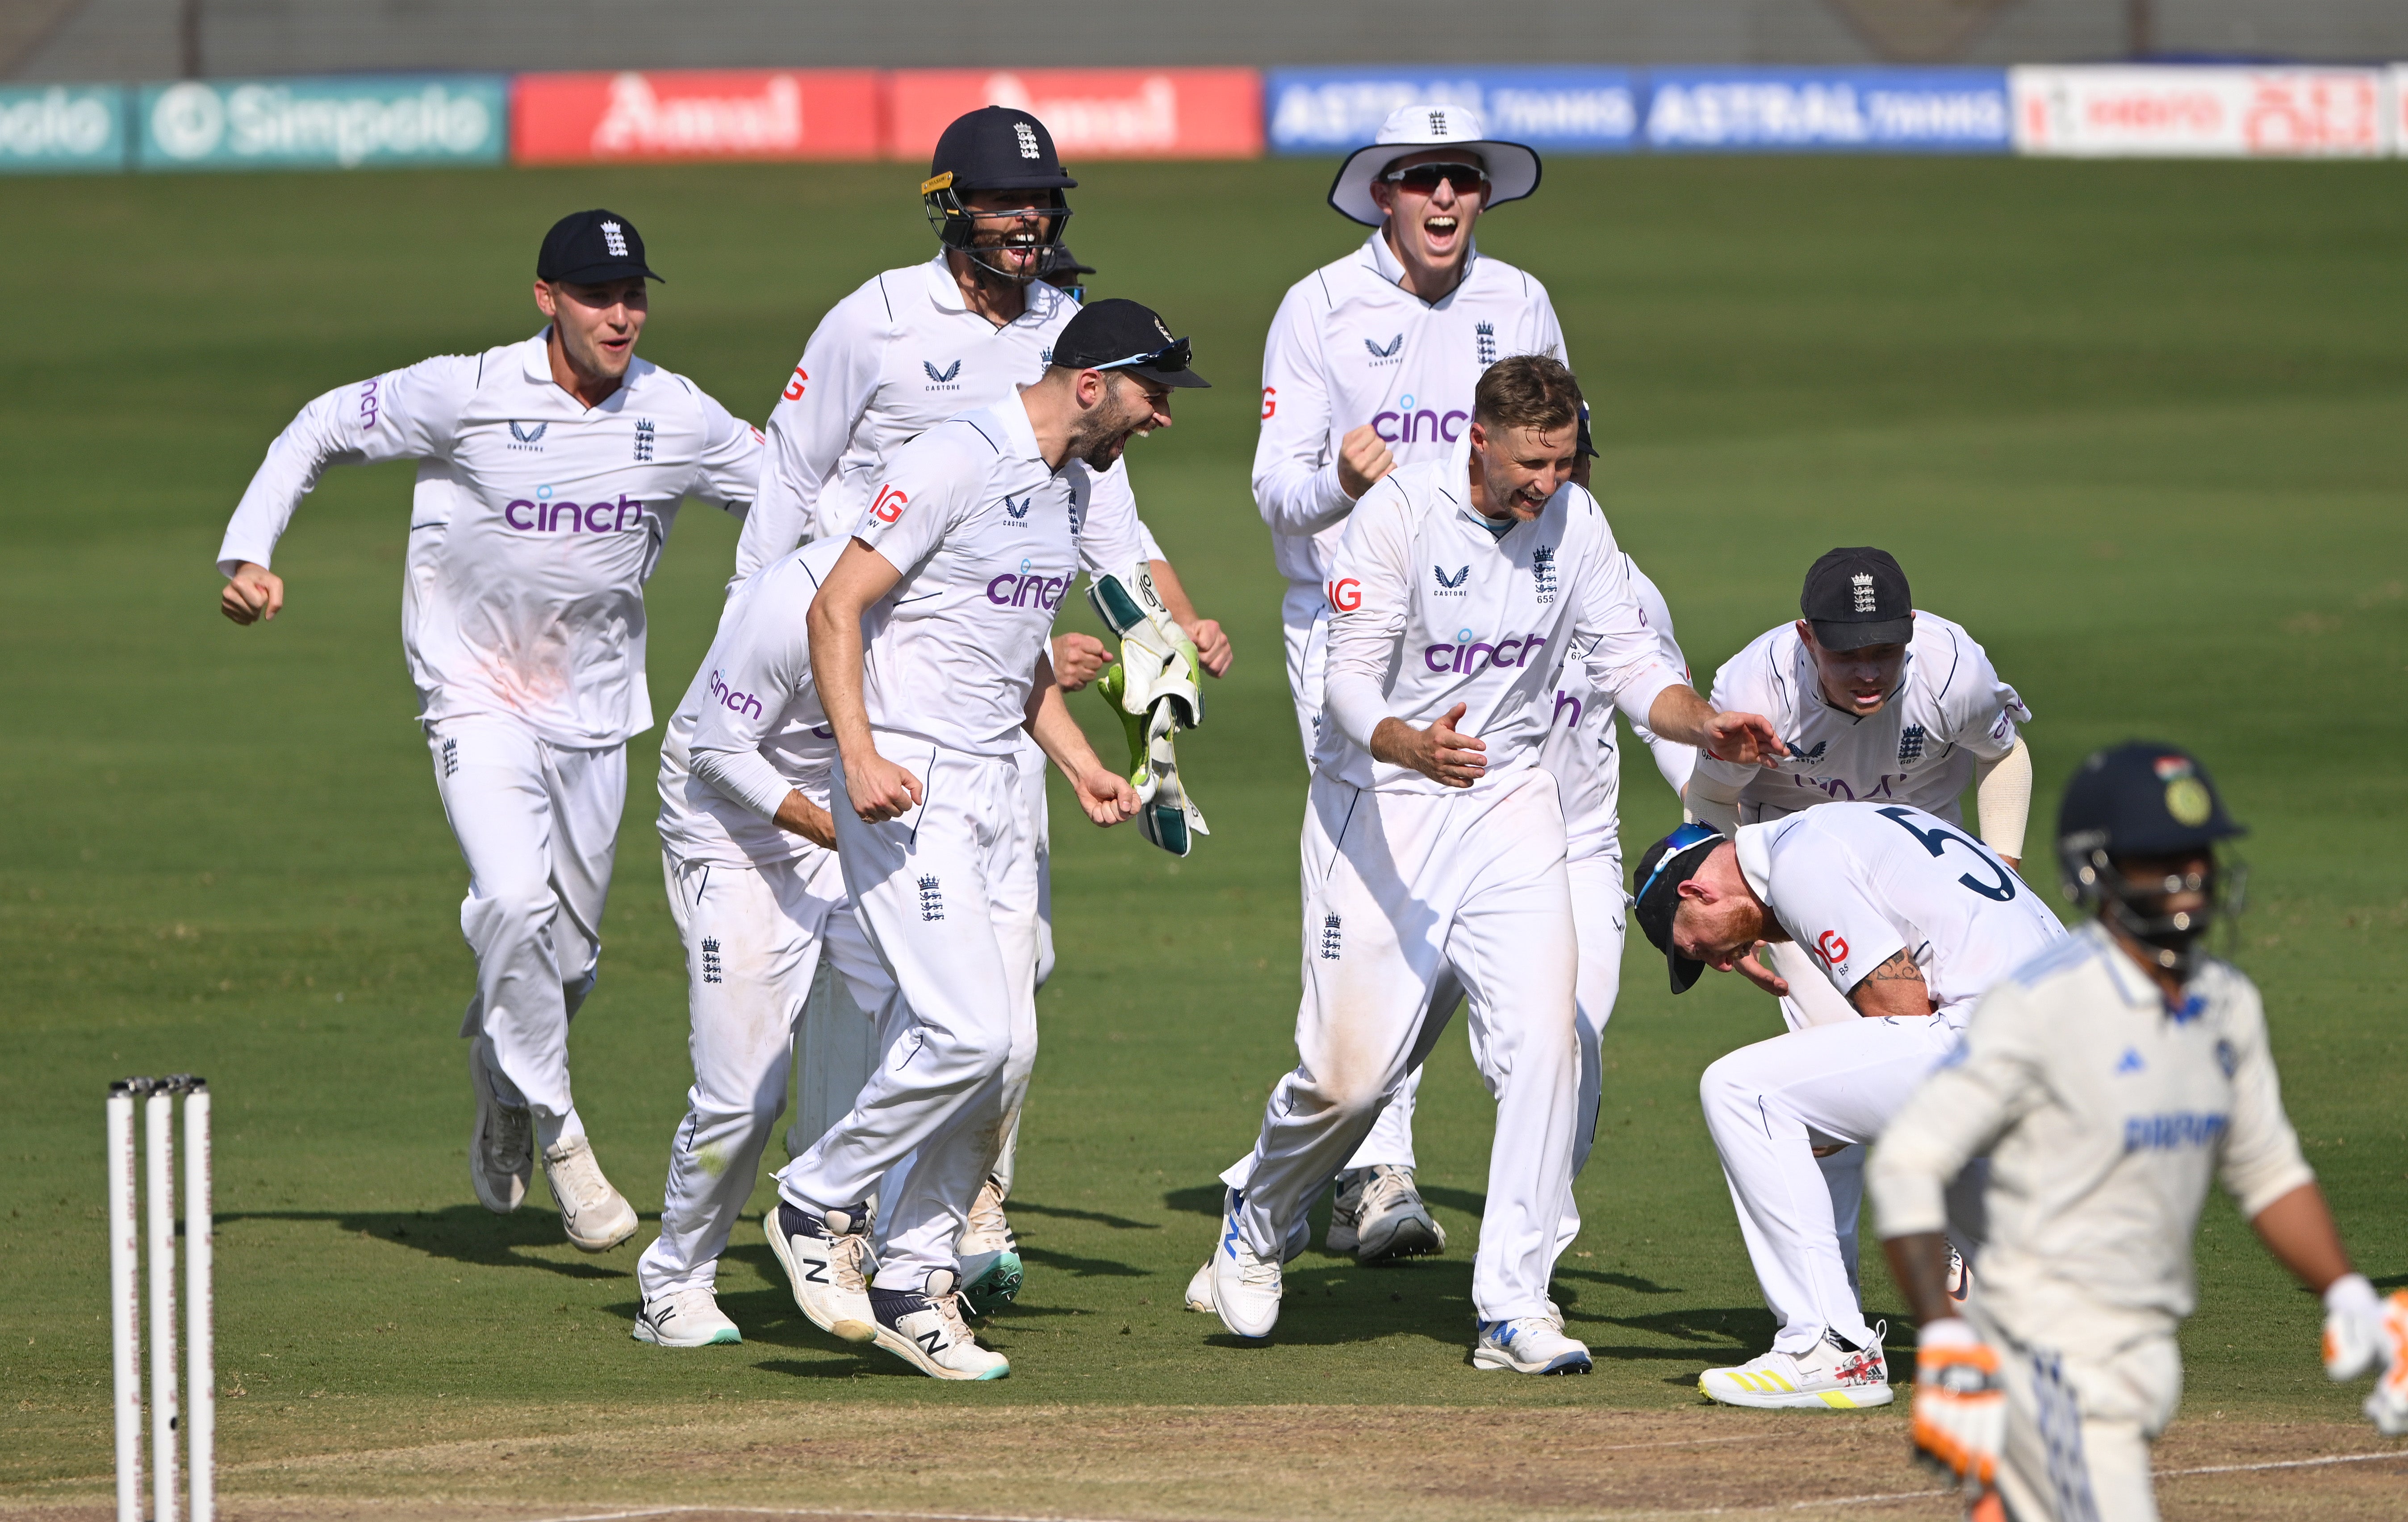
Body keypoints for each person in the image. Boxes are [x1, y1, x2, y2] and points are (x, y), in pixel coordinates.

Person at [1201, 355, 1778, 1375]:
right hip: (1379, 804)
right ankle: (1258, 1213)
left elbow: (1632, 664)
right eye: (1528, 462)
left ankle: (1512, 1305)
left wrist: (1704, 725)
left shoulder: (1575, 523)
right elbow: (1345, 681)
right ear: (1478, 437)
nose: (1544, 483)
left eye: (1560, 462)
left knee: (1546, 1044)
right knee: (1353, 1079)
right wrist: (1407, 743)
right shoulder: (1396, 516)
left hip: (1511, 803)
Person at [742, 110, 1231, 1312]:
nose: (1032, 226)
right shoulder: (877, 318)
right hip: (871, 681)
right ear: (951, 204)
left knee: (1009, 981)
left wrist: (1169, 631)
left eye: (1046, 207)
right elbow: (788, 479)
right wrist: (759, 658)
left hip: (999, 698)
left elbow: (1111, 526)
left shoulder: (1075, 337)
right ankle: (846, 1212)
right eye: (1011, 206)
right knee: (902, 982)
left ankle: (945, 1218)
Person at [215, 210, 762, 1252]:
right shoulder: (466, 392)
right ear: (546, 299)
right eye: (597, 297)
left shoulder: (676, 414)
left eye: (634, 296)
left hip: (598, 712)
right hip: (474, 694)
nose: (621, 316)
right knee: (510, 900)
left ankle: (504, 1082)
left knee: (566, 963)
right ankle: (559, 1132)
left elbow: (795, 499)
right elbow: (321, 425)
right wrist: (249, 554)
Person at [1871, 743, 2408, 1520]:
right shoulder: (2044, 1004)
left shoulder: (2226, 1004)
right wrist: (1950, 1338)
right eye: (2162, 860)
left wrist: (2348, 1294)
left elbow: (2268, 1171)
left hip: (2145, 1354)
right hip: (2044, 1353)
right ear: (2096, 871)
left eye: (2200, 856)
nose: (2190, 878)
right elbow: (1908, 1164)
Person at [1252, 100, 1561, 1264]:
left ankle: (1349, 1158)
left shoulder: (1518, 303)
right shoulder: (1319, 308)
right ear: (1383, 192)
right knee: (1373, 883)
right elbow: (1276, 497)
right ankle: (1365, 1165)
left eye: (1464, 180)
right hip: (1355, 637)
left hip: (1484, 635)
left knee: (1472, 881)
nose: (1445, 199)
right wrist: (1337, 480)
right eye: (1423, 178)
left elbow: (1558, 461)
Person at [1629, 796, 2064, 1409]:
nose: (1721, 964)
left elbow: (1902, 1012)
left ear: (1698, 892)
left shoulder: (1798, 860)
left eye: (1697, 949)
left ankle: (1829, 1348)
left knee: (1741, 1090)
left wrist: (1831, 1119)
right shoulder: (1845, 825)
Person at [1682, 546, 2035, 1301]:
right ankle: (1831, 1305)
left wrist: (2001, 864)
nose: (1869, 671)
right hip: (1807, 890)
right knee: (1821, 1084)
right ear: (1809, 639)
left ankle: (1965, 1256)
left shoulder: (1952, 672)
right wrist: (1734, 916)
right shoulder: (1756, 688)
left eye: (1885, 651)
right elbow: (1710, 801)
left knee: (1948, 1064)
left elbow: (2005, 754)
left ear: (1911, 629)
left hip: (1921, 887)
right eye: (1848, 655)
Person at [633, 535, 898, 1345]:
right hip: (734, 839)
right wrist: (833, 829)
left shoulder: (948, 580)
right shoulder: (792, 601)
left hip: (850, 821)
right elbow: (716, 750)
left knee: (950, 1033)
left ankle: (878, 1245)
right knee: (744, 1094)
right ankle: (673, 1282)